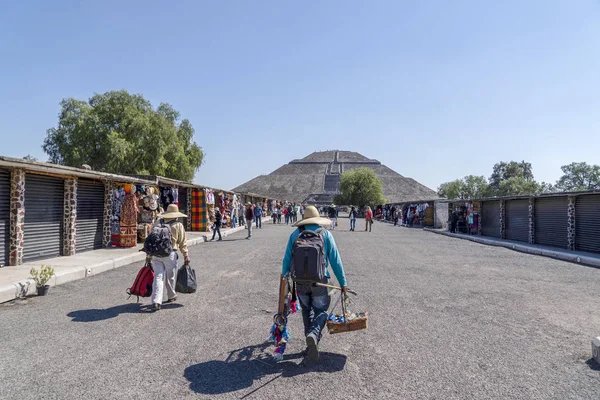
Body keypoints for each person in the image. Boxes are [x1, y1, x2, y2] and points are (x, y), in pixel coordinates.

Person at [281, 206, 348, 363]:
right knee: (321, 310)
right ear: (317, 219)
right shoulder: (325, 234)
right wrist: (343, 283)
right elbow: (335, 261)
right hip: (320, 281)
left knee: (306, 311)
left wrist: (284, 279)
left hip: (300, 281)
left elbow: (286, 259)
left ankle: (310, 342)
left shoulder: (295, 235)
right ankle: (314, 334)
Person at [147, 204, 190, 312]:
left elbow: (151, 241)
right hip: (170, 254)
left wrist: (148, 256)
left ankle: (156, 301)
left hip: (156, 254)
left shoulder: (157, 223)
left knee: (158, 277)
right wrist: (186, 255)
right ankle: (171, 296)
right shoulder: (178, 225)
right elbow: (182, 242)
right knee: (170, 276)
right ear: (176, 215)